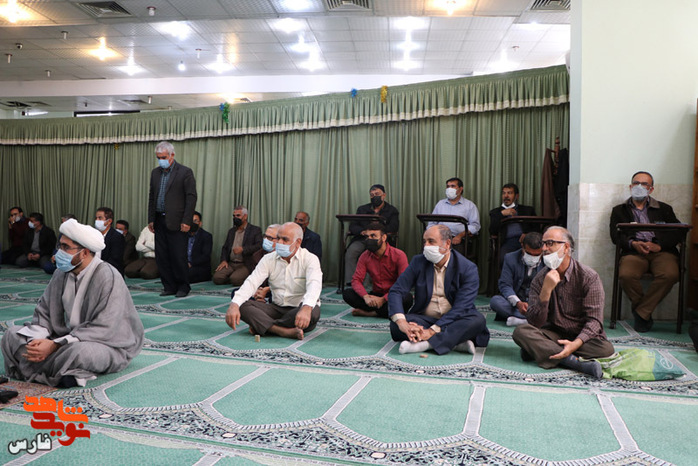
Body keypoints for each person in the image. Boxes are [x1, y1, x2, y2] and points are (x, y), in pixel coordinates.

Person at [1, 219, 144, 387]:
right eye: (60, 246)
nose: (59, 252)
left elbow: (105, 327)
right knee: (11, 335)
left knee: (81, 353)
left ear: (84, 253)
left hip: (104, 344)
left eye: (65, 247)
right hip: (62, 338)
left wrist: (55, 345)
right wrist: (39, 340)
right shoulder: (61, 273)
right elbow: (44, 311)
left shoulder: (108, 276)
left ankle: (36, 367)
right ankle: (60, 371)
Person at [512, 226, 614, 379]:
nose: (544, 249)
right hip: (554, 333)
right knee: (521, 332)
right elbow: (534, 322)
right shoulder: (540, 279)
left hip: (582, 337)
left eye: (550, 243)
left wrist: (575, 344)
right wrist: (546, 292)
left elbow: (595, 321)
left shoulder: (589, 277)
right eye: (543, 244)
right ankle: (574, 363)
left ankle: (540, 349)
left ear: (566, 247)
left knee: (606, 350)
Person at [388, 224, 489, 355]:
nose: (426, 246)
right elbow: (396, 291)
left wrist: (431, 331)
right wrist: (402, 323)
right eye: (424, 242)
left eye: (431, 241)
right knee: (396, 324)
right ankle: (455, 343)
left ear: (447, 243)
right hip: (425, 319)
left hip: (454, 320)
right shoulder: (419, 261)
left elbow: (462, 307)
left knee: (477, 320)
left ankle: (425, 345)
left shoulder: (467, 268)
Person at [610, 171, 682, 332]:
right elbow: (615, 236)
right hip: (634, 252)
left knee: (670, 274)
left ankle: (641, 312)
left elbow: (678, 232)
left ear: (651, 189)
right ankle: (644, 313)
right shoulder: (619, 210)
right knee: (626, 275)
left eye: (644, 184)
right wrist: (633, 243)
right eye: (636, 183)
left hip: (661, 252)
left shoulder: (664, 209)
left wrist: (660, 246)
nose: (639, 187)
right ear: (630, 186)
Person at [226, 222, 322, 340]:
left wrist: (306, 308)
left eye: (285, 239)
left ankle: (264, 326)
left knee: (313, 311)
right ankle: (282, 331)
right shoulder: (268, 259)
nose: (279, 242)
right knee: (242, 305)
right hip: (276, 308)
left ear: (298, 242)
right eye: (278, 238)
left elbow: (314, 285)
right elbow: (252, 282)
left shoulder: (310, 259)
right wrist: (234, 304)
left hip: (298, 309)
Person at [148, 141, 197, 298]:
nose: (160, 160)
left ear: (172, 155)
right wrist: (151, 219)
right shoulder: (155, 173)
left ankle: (183, 286)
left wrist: (187, 221)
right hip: (159, 219)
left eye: (163, 157)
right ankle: (169, 286)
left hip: (178, 221)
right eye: (158, 157)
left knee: (178, 256)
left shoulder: (185, 172)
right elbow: (152, 197)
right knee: (162, 256)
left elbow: (191, 198)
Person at [342, 222, 411, 318]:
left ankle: (371, 313)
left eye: (373, 236)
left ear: (384, 238)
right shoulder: (365, 256)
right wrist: (366, 297)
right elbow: (356, 280)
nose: (369, 239)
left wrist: (383, 299)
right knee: (347, 293)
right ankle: (382, 311)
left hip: (392, 295)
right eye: (367, 236)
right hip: (375, 295)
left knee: (407, 298)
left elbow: (403, 284)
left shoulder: (399, 255)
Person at [344, 184, 399, 283]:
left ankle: (370, 284)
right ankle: (352, 282)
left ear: (384, 195)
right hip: (363, 238)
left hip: (380, 240)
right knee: (351, 252)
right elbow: (353, 226)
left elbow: (394, 227)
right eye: (372, 195)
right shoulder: (362, 209)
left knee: (373, 254)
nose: (374, 197)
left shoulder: (392, 210)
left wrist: (378, 232)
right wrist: (363, 231)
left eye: (377, 194)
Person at [489, 232, 545, 327]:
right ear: (522, 247)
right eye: (529, 253)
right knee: (495, 301)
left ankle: (522, 320)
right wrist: (518, 303)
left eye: (536, 255)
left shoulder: (547, 262)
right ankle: (532, 320)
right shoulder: (510, 258)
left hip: (537, 304)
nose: (532, 258)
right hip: (516, 302)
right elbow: (505, 285)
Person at [430, 177, 480, 256]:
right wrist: (433, 234)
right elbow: (432, 223)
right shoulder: (440, 204)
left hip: (458, 239)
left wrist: (460, 236)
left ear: (460, 189)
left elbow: (475, 226)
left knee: (455, 256)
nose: (449, 189)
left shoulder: (470, 205)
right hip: (439, 238)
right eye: (448, 186)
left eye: (453, 186)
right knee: (427, 252)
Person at [213, 206, 263, 286]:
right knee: (217, 278)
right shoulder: (231, 231)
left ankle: (239, 277)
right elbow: (225, 248)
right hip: (231, 263)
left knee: (235, 279)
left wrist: (243, 249)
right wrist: (224, 260)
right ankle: (232, 276)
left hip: (245, 263)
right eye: (234, 216)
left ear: (245, 216)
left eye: (238, 215)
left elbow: (259, 246)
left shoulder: (255, 230)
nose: (235, 218)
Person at [488, 183, 537, 263]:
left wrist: (528, 234)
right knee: (504, 257)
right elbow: (492, 231)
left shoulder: (528, 210)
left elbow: (536, 228)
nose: (506, 196)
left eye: (509, 193)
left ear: (516, 196)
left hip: (527, 241)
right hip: (507, 242)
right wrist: (502, 214)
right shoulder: (495, 212)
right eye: (504, 193)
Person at [95, 207, 125, 275]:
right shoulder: (94, 234)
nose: (97, 220)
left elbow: (114, 260)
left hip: (110, 272)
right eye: (96, 218)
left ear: (109, 221)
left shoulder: (117, 237)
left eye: (100, 218)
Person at [187, 211, 213, 284]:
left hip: (199, 267)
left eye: (195, 221)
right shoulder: (183, 235)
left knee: (185, 274)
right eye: (191, 221)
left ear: (200, 223)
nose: (193, 223)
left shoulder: (206, 236)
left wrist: (191, 263)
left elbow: (206, 256)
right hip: (184, 265)